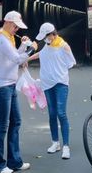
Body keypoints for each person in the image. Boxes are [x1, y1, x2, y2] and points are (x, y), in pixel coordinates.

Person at [0, 11, 37, 173]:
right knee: (3, 126)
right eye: (16, 26)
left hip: (10, 85)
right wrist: (31, 49)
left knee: (15, 121)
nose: (17, 30)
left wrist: (24, 46)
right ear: (9, 23)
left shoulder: (8, 38)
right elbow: (17, 59)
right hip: (2, 87)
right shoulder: (2, 39)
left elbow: (16, 54)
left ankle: (14, 161)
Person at [29, 22, 76, 160]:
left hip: (61, 84)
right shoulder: (47, 46)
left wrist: (60, 68)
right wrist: (27, 59)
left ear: (52, 34)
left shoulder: (63, 45)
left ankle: (66, 146)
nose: (45, 39)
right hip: (47, 84)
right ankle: (55, 142)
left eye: (46, 36)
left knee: (61, 113)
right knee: (52, 114)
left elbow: (71, 62)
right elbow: (40, 54)